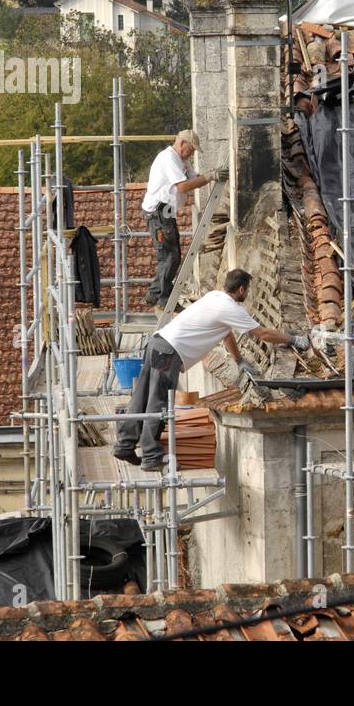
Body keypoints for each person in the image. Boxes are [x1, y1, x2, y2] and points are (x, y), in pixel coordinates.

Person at [115, 269, 311, 471]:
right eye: (247, 290)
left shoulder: (214, 297)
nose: (247, 293)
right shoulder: (231, 308)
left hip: (157, 343)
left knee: (141, 397)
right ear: (242, 288)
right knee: (158, 402)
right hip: (169, 353)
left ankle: (124, 445)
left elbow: (227, 335)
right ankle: (150, 456)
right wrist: (293, 339)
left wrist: (240, 360)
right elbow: (262, 333)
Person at [142, 130, 225, 309]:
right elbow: (183, 186)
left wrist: (209, 175)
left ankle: (155, 294)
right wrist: (210, 177)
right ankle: (163, 299)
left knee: (173, 254)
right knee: (169, 255)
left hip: (165, 211)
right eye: (191, 149)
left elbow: (193, 178)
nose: (192, 153)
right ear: (181, 144)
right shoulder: (169, 158)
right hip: (158, 211)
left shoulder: (181, 160)